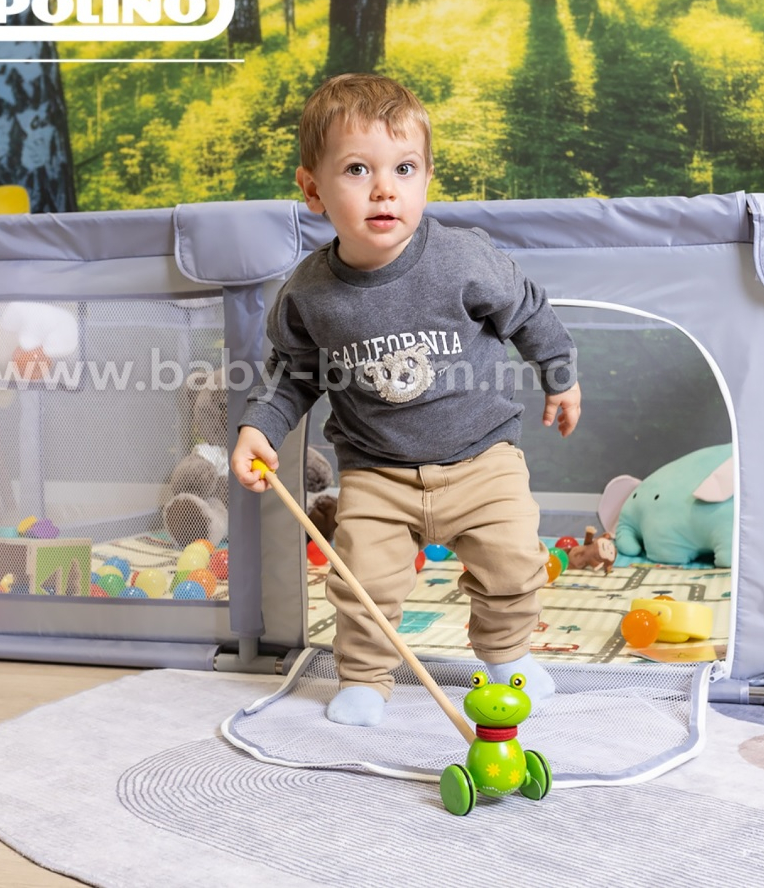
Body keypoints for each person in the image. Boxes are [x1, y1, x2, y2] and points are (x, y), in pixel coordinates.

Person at [230, 73, 581, 727]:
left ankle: (507, 659)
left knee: (513, 563)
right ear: (312, 189)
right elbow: (292, 373)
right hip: (376, 470)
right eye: (357, 169)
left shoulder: (461, 259)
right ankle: (365, 678)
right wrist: (260, 428)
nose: (384, 189)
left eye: (404, 168)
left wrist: (558, 374)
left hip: (481, 458)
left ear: (425, 179)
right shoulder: (308, 294)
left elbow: (527, 310)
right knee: (361, 581)